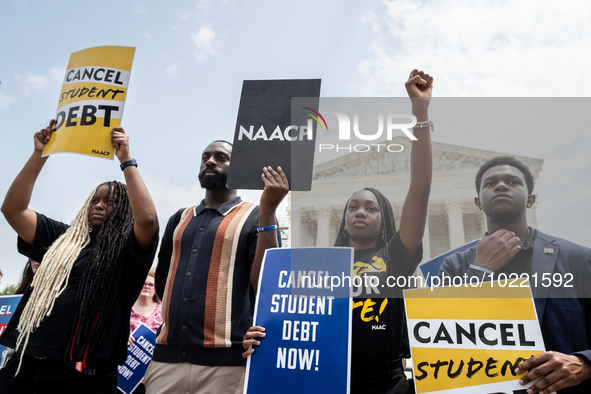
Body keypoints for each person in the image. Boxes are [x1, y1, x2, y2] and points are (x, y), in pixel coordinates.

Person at [243, 69, 434, 394]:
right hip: (322, 378)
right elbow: (266, 286)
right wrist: (264, 338)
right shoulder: (317, 266)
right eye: (352, 207)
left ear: (385, 218)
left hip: (384, 384)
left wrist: (420, 114)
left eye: (371, 208)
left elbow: (420, 187)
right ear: (343, 218)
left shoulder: (395, 257)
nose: (360, 212)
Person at [0, 120, 159, 394]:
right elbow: (12, 210)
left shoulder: (127, 251)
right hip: (23, 369)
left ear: (123, 210)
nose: (99, 204)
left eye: (109, 202)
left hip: (82, 379)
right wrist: (40, 153)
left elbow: (148, 221)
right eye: (95, 199)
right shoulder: (61, 237)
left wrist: (126, 160)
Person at [145, 140, 289, 394]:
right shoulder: (179, 218)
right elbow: (164, 277)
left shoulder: (256, 215)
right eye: (205, 157)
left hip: (228, 367)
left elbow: (268, 283)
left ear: (241, 168)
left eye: (221, 157)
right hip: (166, 364)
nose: (210, 161)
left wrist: (268, 209)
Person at [439, 156, 591, 394]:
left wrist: (585, 363)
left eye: (512, 181)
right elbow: (441, 340)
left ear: (531, 199)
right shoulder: (455, 266)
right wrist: (480, 270)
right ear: (478, 202)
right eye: (490, 183)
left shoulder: (579, 260)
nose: (501, 186)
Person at [120, 271, 163, 394]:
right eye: (144, 284)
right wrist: (122, 338)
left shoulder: (163, 310)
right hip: (125, 370)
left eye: (150, 284)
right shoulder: (126, 308)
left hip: (153, 372)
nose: (147, 287)